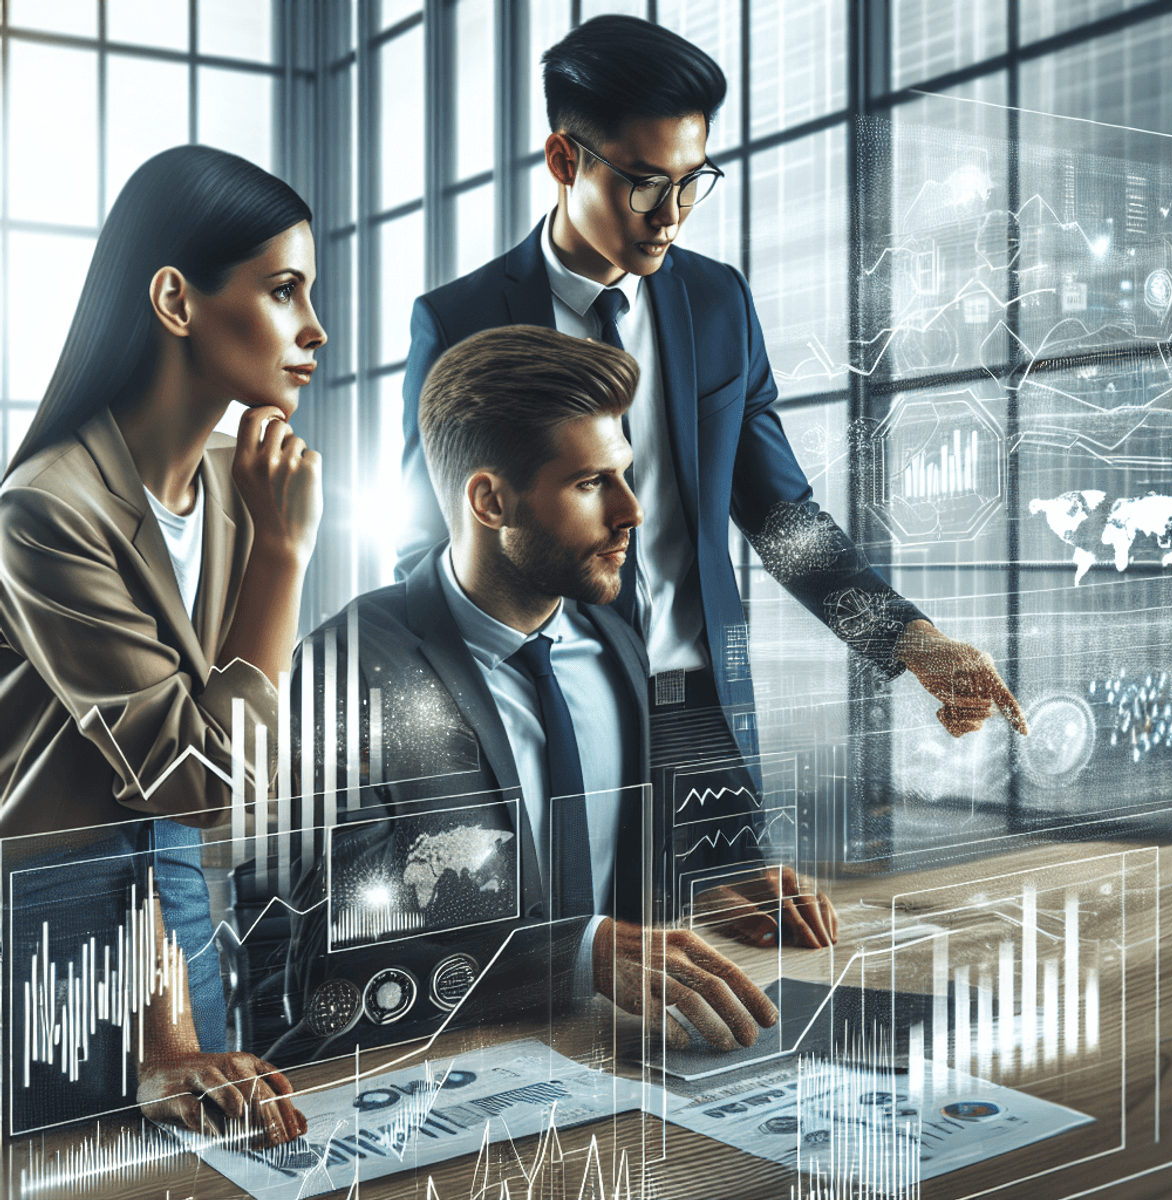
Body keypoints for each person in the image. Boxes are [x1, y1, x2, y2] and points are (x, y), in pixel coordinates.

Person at [395, 15, 1027, 776]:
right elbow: (426, 549)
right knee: (588, 905)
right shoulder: (459, 322)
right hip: (544, 711)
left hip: (704, 713)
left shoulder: (718, 304)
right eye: (644, 183)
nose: (671, 214)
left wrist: (911, 640)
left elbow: (781, 516)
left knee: (757, 901)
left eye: (692, 180)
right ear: (565, 159)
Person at [275, 326, 831, 1066]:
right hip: (442, 1090)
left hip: (633, 1071)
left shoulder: (621, 638)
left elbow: (613, 863)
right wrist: (587, 954)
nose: (632, 511)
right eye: (591, 483)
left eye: (625, 475)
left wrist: (707, 887)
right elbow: (335, 969)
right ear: (490, 501)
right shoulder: (347, 671)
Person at [0, 145, 320, 1142]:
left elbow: (208, 801)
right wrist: (280, 560)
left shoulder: (237, 477)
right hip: (50, 933)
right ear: (176, 300)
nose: (314, 330)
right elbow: (196, 779)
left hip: (173, 901)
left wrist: (174, 1027)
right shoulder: (44, 510)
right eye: (282, 291)